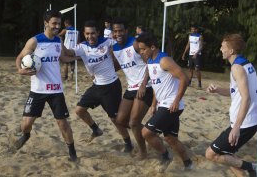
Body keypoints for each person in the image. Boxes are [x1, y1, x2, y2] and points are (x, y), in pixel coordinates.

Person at [15, 10, 77, 161]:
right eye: (54, 23)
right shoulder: (35, 41)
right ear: (46, 23)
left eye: (59, 23)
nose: (57, 26)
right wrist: (20, 70)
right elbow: (20, 57)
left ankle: (72, 152)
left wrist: (78, 56)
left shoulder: (58, 41)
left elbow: (62, 56)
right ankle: (26, 135)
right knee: (26, 124)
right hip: (37, 90)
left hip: (56, 90)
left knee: (62, 124)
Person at [63, 20, 131, 151]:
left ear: (98, 33)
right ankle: (95, 129)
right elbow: (68, 52)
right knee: (79, 110)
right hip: (96, 86)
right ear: (84, 34)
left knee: (115, 119)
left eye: (93, 33)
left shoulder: (107, 42)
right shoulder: (82, 47)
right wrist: (58, 41)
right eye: (87, 34)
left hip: (111, 86)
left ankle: (128, 143)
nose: (90, 36)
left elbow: (123, 43)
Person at [136, 32, 193, 171]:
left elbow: (184, 79)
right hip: (164, 104)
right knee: (170, 139)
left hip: (171, 105)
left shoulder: (164, 60)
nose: (141, 52)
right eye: (140, 50)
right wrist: (154, 104)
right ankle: (188, 164)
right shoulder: (150, 61)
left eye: (143, 49)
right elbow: (157, 85)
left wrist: (176, 101)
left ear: (153, 47)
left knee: (146, 133)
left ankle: (165, 156)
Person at [205, 34, 257, 177]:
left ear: (232, 51)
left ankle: (252, 166)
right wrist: (217, 90)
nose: (221, 49)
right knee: (227, 156)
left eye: (223, 47)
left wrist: (236, 127)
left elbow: (246, 98)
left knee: (210, 154)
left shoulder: (237, 68)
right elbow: (237, 91)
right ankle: (249, 173)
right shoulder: (244, 63)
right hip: (247, 122)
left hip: (244, 124)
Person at [111, 17, 153, 159]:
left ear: (126, 31)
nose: (118, 34)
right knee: (120, 121)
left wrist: (143, 84)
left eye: (121, 31)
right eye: (115, 31)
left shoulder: (135, 44)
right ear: (112, 33)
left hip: (145, 86)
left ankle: (143, 152)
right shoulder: (114, 48)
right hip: (130, 87)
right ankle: (148, 133)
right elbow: (120, 65)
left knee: (134, 122)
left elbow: (151, 63)